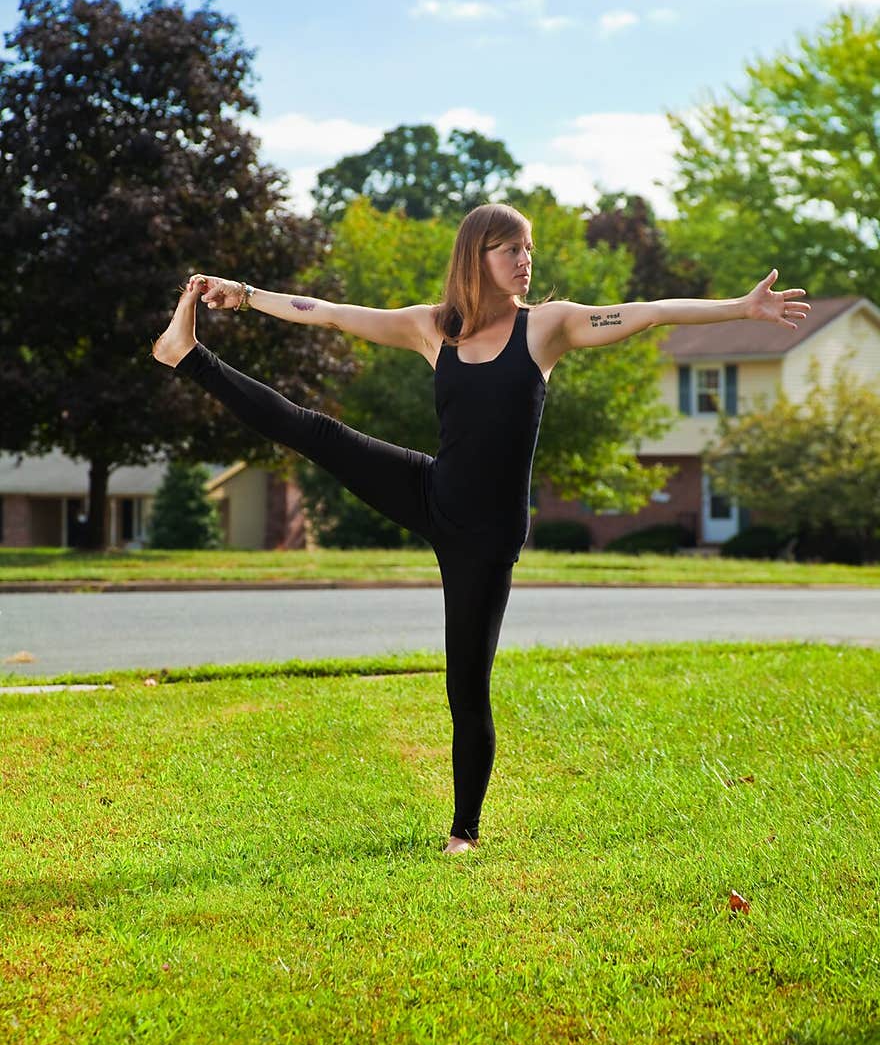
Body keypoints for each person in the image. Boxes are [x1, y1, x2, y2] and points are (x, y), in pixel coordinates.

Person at [151, 202, 811, 854]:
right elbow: (324, 312)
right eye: (511, 250)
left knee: (465, 685)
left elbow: (651, 312)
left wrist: (738, 308)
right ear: (477, 256)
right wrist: (244, 294)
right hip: (432, 490)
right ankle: (187, 355)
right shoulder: (432, 328)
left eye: (528, 249)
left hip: (487, 536)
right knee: (315, 431)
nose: (525, 262)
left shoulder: (547, 328)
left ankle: (464, 832)